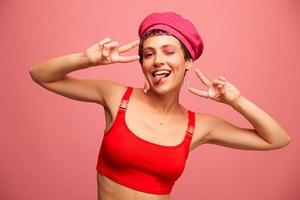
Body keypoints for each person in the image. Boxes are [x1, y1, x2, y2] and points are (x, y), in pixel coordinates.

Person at [29, 11, 291, 200]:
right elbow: (40, 75)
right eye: (149, 54)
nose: (157, 61)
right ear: (142, 63)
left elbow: (277, 139)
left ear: (187, 61)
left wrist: (236, 102)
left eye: (169, 51)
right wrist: (86, 59)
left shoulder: (198, 126)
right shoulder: (117, 98)